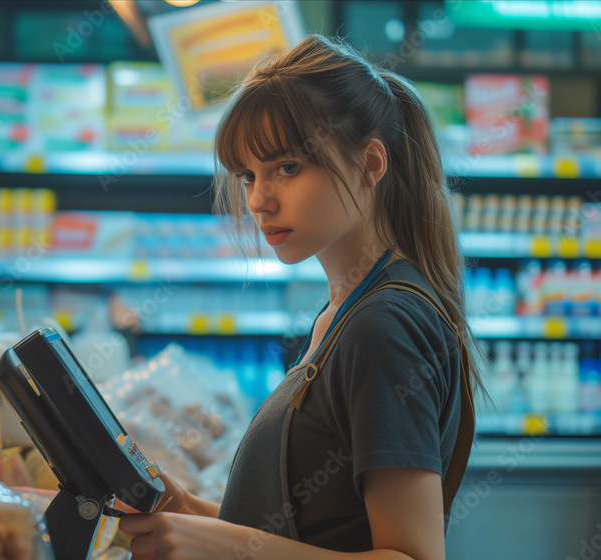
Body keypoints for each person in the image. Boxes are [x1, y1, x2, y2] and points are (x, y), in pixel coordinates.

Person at [118, 35, 482, 560]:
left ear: (371, 164)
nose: (259, 201)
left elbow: (413, 555)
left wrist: (214, 542)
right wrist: (192, 515)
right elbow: (320, 530)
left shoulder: (383, 326)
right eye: (248, 175)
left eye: (286, 167)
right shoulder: (344, 312)